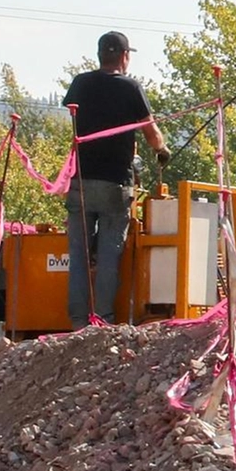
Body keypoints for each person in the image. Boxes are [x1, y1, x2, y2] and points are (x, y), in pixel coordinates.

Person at [62, 31, 170, 329]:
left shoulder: (80, 84)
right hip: (115, 185)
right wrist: (162, 151)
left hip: (80, 182)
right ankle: (104, 319)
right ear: (124, 56)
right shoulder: (130, 87)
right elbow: (151, 133)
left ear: (100, 56)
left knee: (79, 255)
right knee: (109, 254)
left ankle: (78, 321)